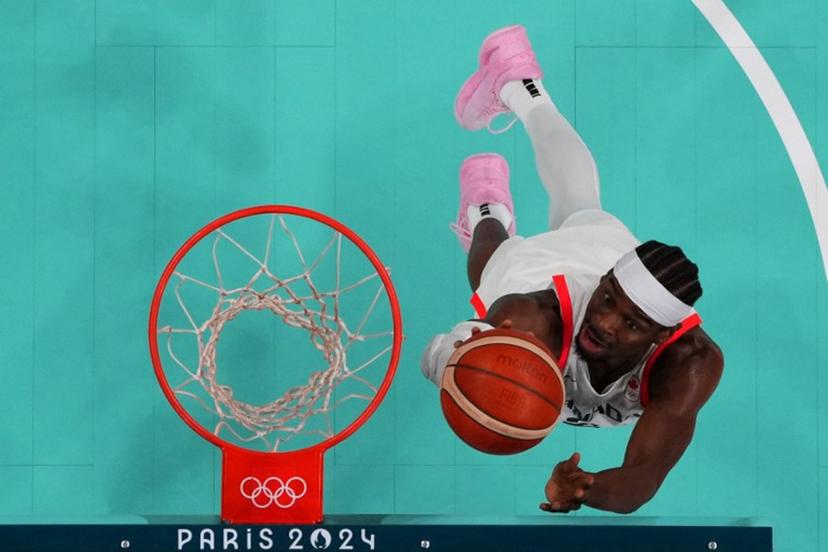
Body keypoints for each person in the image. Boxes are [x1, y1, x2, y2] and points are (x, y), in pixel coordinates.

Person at [421, 25, 724, 514]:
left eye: (630, 324)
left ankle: (516, 86)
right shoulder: (529, 317)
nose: (605, 323)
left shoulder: (689, 364)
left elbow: (642, 479)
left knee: (578, 199)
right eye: (608, 303)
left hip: (615, 276)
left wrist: (583, 489)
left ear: (662, 334)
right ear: (604, 281)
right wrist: (447, 358)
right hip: (556, 279)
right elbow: (444, 355)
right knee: (489, 263)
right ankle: (487, 197)